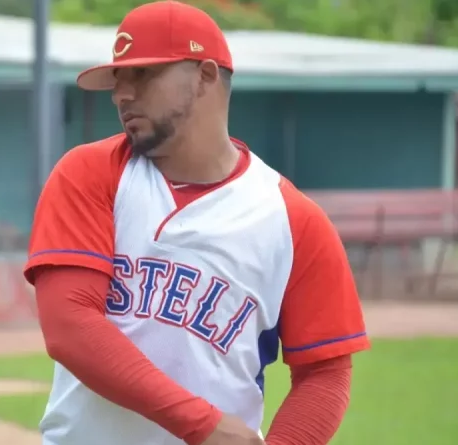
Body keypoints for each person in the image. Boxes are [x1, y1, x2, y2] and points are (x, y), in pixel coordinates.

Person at [24, 2, 370, 445]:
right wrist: (202, 423)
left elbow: (326, 372)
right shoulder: (92, 174)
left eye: (142, 75)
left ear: (206, 74)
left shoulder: (293, 219)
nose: (121, 94)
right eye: (118, 79)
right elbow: (69, 325)